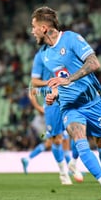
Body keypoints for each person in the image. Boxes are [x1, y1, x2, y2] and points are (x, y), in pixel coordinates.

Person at [30, 6, 101, 200]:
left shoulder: (71, 39)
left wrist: (70, 79)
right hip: (70, 106)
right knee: (79, 140)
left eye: (34, 27)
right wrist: (54, 94)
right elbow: (59, 81)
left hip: (92, 101)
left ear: (44, 28)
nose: (32, 31)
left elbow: (94, 63)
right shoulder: (45, 55)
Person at [21, 51, 83, 184]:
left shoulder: (62, 68)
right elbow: (32, 91)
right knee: (55, 140)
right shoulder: (45, 80)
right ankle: (63, 173)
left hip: (65, 104)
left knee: (68, 137)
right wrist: (38, 108)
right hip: (51, 108)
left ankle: (72, 166)